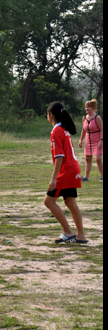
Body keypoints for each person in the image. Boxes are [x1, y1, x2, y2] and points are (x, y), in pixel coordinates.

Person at [44, 102, 88, 244]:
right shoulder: (64, 129)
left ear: (50, 115)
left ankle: (68, 231)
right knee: (70, 202)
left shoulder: (56, 131)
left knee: (49, 201)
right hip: (74, 169)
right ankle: (80, 235)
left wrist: (54, 178)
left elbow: (59, 156)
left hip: (66, 171)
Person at [78, 99, 103, 182]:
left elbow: (102, 129)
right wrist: (81, 140)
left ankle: (102, 176)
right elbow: (84, 130)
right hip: (88, 140)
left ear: (93, 108)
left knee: (98, 159)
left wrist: (101, 140)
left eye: (88, 107)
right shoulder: (84, 118)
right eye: (86, 107)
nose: (86, 109)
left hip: (97, 140)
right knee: (88, 159)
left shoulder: (97, 117)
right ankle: (86, 177)